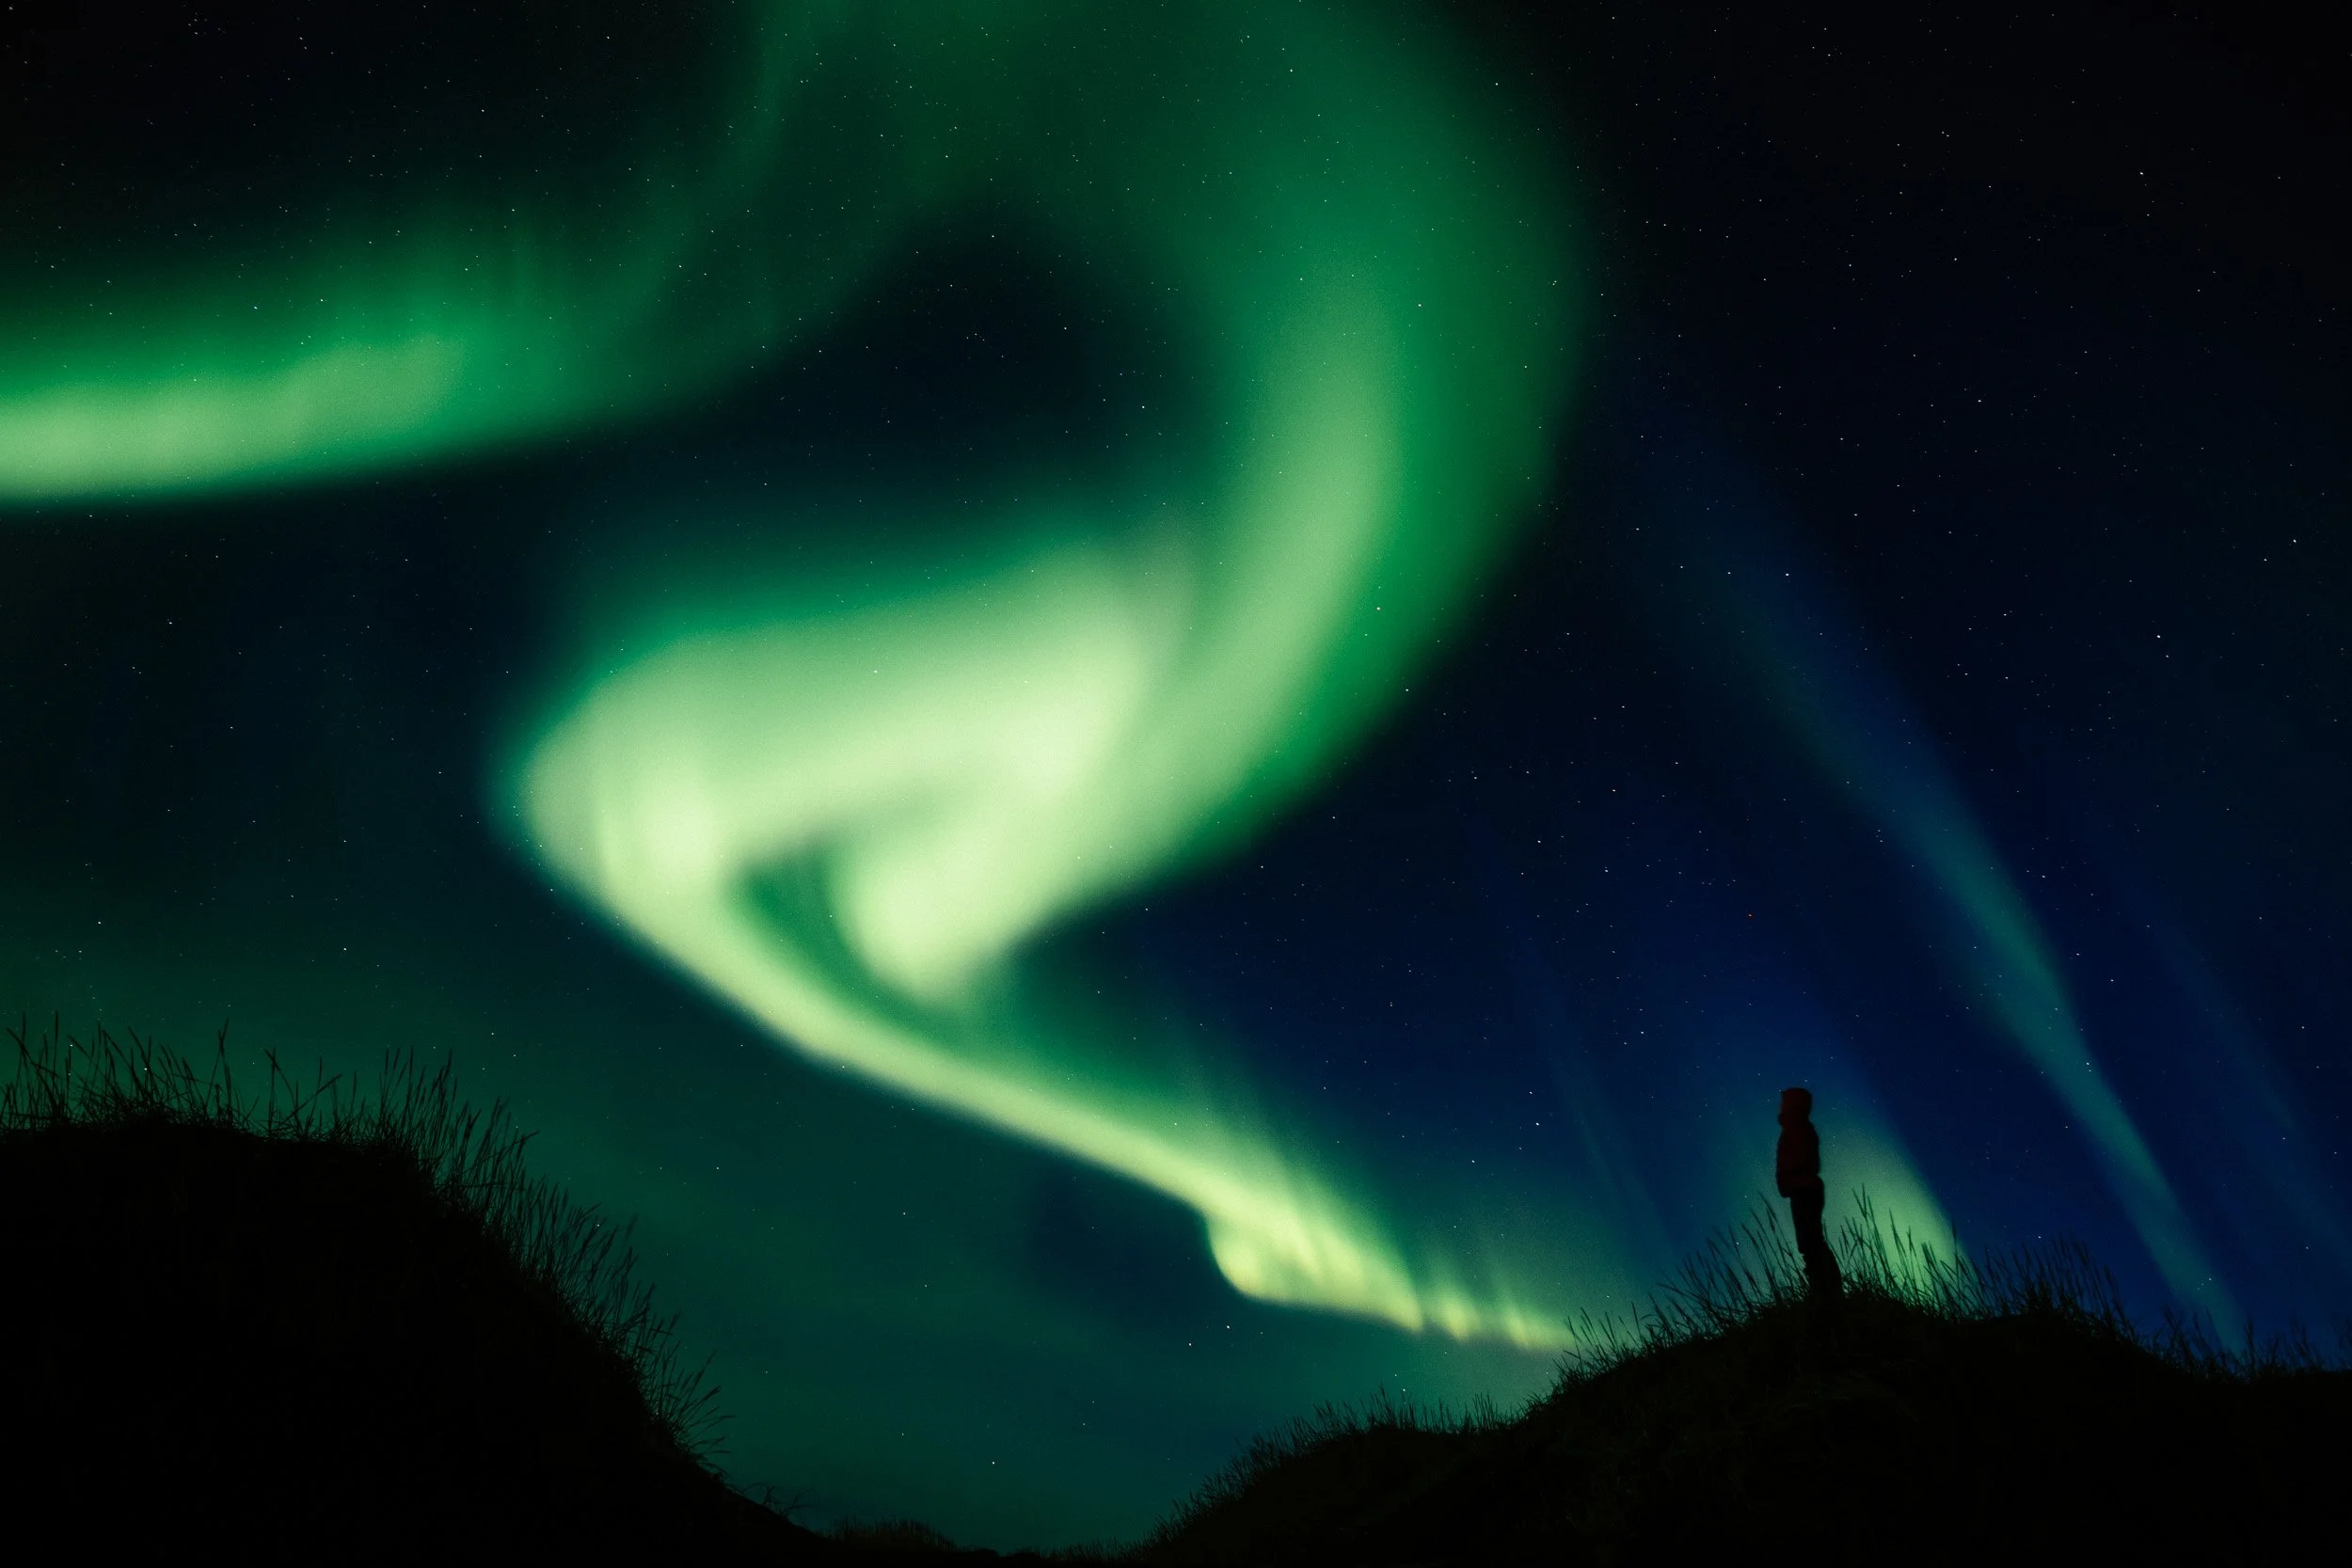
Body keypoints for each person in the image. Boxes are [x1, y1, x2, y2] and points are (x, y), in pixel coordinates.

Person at [1776, 1086, 1843, 1296]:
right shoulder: (1797, 1128)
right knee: (1811, 1242)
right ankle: (1825, 1289)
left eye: (1785, 1102)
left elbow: (1804, 1160)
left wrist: (1788, 1177)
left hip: (1804, 1189)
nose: (1780, 1106)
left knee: (1811, 1242)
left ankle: (1826, 1291)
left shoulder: (1797, 1128)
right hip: (1802, 1188)